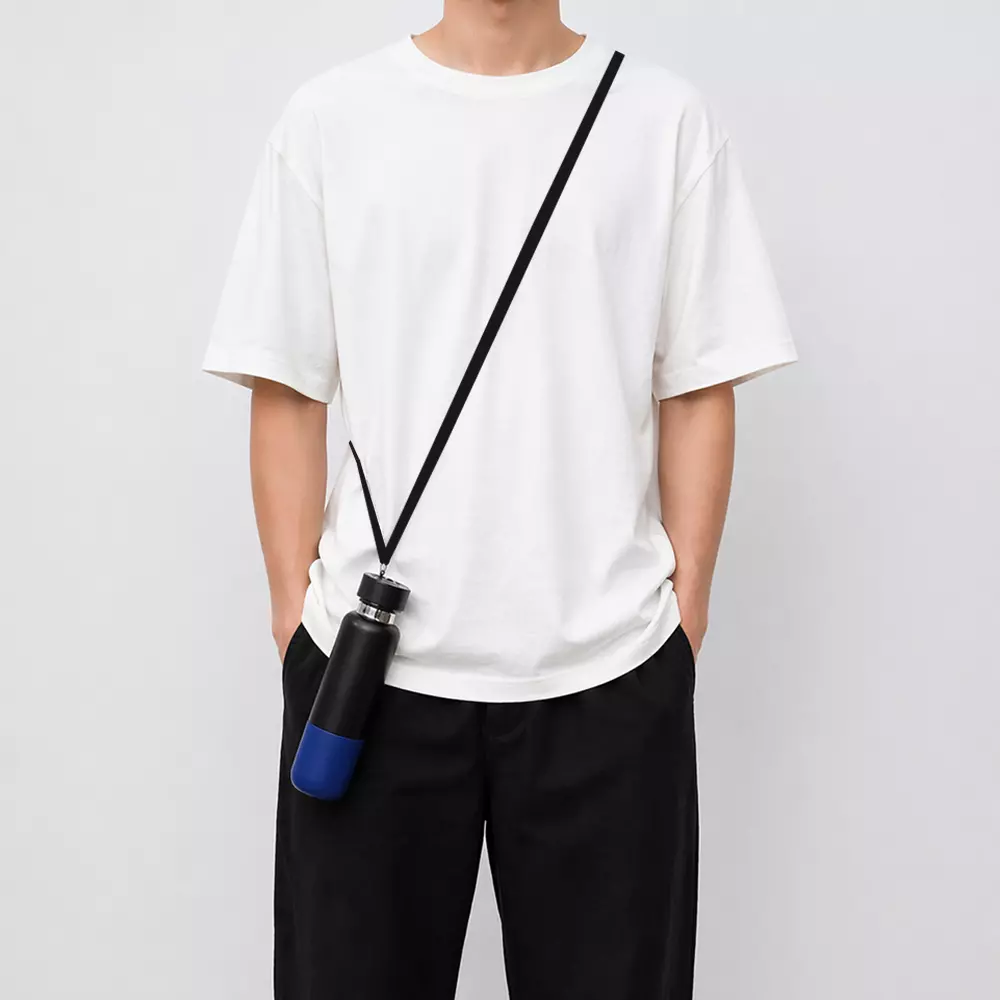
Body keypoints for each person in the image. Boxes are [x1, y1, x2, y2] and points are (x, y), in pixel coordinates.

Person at [202, 4, 797, 998]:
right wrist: (295, 625)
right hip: (369, 675)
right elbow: (287, 384)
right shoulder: (334, 117)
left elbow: (699, 382)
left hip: (610, 666)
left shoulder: (662, 118)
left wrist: (681, 621)